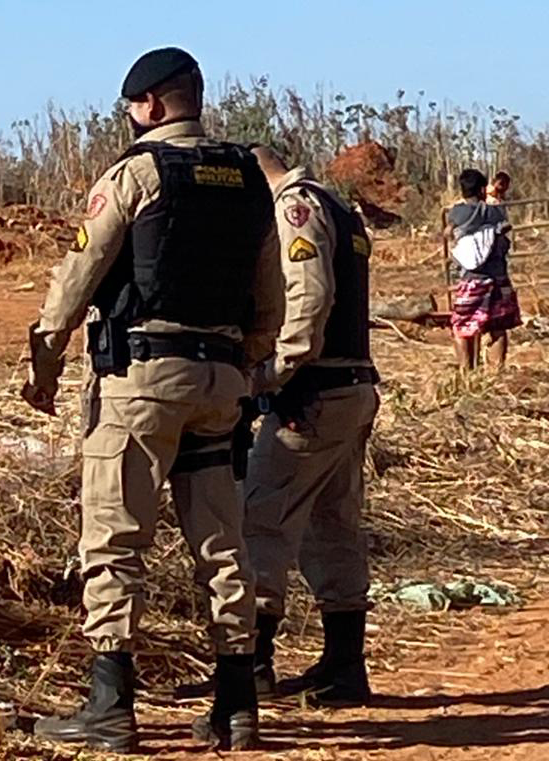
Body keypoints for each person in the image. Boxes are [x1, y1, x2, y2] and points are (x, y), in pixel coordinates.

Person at [24, 47, 284, 752]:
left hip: (142, 382)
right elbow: (271, 298)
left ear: (153, 105)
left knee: (115, 540)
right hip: (221, 381)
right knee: (223, 542)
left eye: (133, 107)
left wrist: (43, 363)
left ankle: (110, 703)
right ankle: (236, 703)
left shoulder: (137, 174)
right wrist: (248, 361)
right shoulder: (248, 181)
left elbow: (78, 275)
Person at [243, 146, 379, 708]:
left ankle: (251, 664)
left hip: (314, 391)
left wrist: (273, 375)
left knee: (261, 518)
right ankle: (344, 665)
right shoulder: (338, 206)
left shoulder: (293, 207)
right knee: (333, 524)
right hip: (352, 386)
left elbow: (310, 298)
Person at [448, 169, 521, 370]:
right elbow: (505, 232)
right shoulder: (496, 211)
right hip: (498, 277)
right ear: (483, 189)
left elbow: (449, 232)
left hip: (472, 279)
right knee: (498, 326)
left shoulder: (456, 212)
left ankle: (466, 373)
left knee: (462, 327)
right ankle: (496, 375)